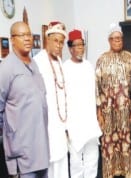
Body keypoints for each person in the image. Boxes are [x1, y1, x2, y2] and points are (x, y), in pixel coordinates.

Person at [0, 21, 49, 177]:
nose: (27, 38)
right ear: (12, 39)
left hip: (41, 151)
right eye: (22, 35)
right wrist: (11, 137)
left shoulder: (34, 64)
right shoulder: (6, 68)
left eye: (28, 34)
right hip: (22, 155)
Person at [95, 23, 131, 178]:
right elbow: (97, 89)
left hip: (125, 112)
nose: (117, 41)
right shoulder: (102, 59)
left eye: (119, 38)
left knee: (126, 143)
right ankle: (110, 173)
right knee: (109, 144)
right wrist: (99, 112)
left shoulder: (129, 58)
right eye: (114, 38)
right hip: (108, 112)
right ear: (109, 40)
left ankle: (127, 172)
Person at [63, 29, 102, 178]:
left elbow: (95, 92)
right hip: (74, 124)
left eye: (82, 45)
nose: (80, 48)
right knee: (76, 162)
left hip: (90, 121)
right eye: (77, 45)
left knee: (92, 160)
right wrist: (65, 125)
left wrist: (98, 113)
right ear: (70, 48)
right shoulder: (65, 68)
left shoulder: (88, 65)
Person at [34, 21, 69, 178]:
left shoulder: (60, 61)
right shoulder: (38, 61)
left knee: (62, 163)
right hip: (46, 127)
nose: (59, 45)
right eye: (56, 41)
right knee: (49, 167)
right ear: (47, 39)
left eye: (61, 42)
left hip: (60, 125)